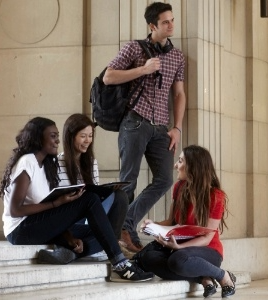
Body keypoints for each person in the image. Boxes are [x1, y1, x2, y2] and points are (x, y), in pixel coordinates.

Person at [0, 117, 152, 282]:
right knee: (90, 199)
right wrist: (56, 203)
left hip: (38, 225)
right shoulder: (27, 162)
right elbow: (15, 210)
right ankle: (120, 265)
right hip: (20, 230)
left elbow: (51, 215)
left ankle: (70, 252)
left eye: (57, 136)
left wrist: (69, 238)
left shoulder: (46, 165)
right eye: (53, 136)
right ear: (38, 138)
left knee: (104, 233)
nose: (58, 140)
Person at [103, 1, 186, 253]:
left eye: (172, 20)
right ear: (152, 25)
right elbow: (108, 76)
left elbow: (179, 94)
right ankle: (118, 235)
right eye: (165, 22)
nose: (171, 25)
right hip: (134, 121)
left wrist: (177, 127)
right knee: (128, 181)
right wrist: (143, 69)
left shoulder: (177, 56)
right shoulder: (134, 48)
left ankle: (125, 224)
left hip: (161, 128)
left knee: (164, 179)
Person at [136, 145, 237, 297]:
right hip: (181, 249)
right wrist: (153, 225)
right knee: (148, 258)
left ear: (193, 167)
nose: (176, 165)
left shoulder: (216, 196)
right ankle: (203, 278)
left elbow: (207, 238)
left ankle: (222, 275)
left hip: (208, 251)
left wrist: (178, 247)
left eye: (181, 161)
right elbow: (171, 222)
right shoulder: (178, 188)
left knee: (178, 260)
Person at [56, 113, 129, 262]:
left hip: (88, 215)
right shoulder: (57, 163)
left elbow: (94, 194)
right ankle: (102, 247)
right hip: (68, 220)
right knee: (104, 233)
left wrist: (107, 191)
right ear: (71, 136)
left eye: (90, 136)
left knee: (120, 195)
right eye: (83, 136)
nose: (87, 140)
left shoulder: (91, 162)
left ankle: (96, 247)